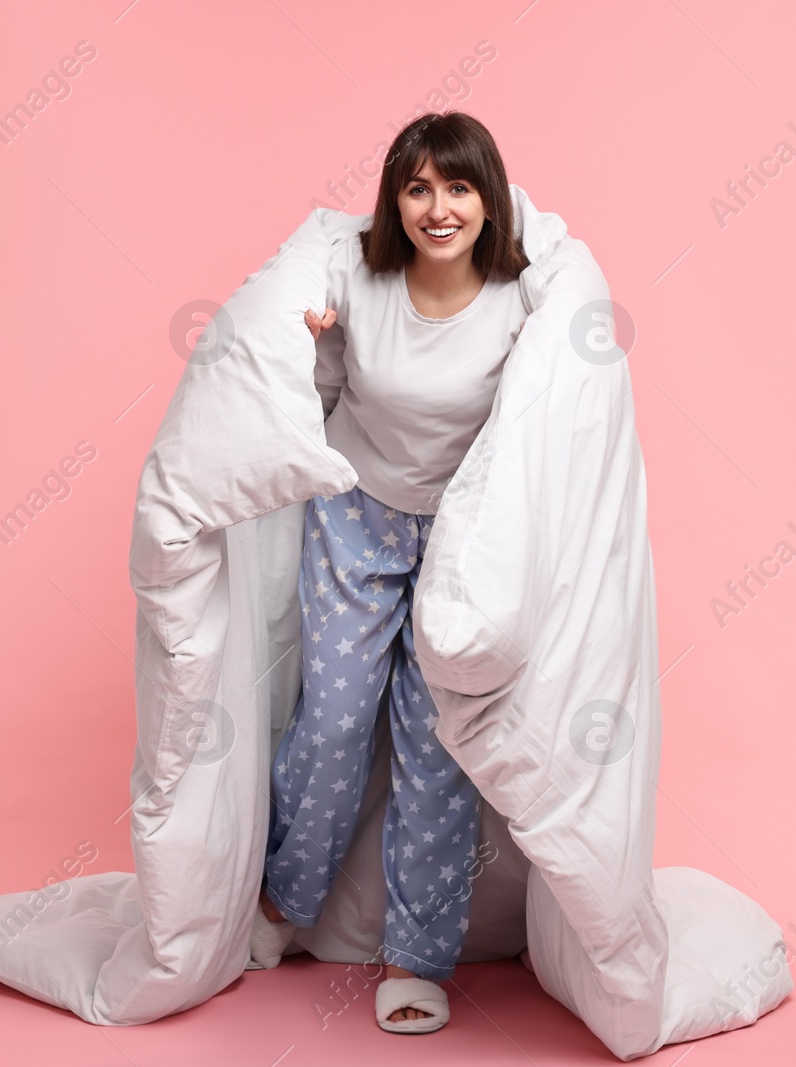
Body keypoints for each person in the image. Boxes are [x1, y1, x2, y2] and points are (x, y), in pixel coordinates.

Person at [248, 111, 530, 1034]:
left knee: (436, 745)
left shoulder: (519, 302)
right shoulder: (363, 282)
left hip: (460, 535)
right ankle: (285, 903)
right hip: (358, 517)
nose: (437, 208)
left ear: (489, 199)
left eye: (456, 187)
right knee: (332, 721)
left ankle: (416, 957)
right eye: (417, 188)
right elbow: (311, 367)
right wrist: (310, 333)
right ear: (394, 200)